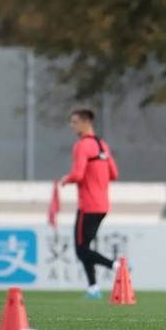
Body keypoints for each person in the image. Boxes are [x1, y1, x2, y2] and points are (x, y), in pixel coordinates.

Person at [60, 108, 120, 299]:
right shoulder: (102, 145)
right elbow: (114, 174)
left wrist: (65, 180)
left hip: (87, 205)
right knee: (85, 246)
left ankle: (116, 266)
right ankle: (93, 288)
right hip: (103, 205)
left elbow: (77, 174)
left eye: (75, 122)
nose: (72, 126)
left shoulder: (82, 146)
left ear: (87, 123)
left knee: (81, 249)